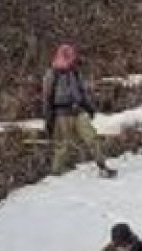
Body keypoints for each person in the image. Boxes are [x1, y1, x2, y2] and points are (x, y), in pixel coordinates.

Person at [42, 43, 116, 178]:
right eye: (67, 55)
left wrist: (89, 108)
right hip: (61, 113)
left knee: (92, 138)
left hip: (79, 111)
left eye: (71, 55)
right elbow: (47, 98)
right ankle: (55, 172)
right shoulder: (52, 74)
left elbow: (83, 92)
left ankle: (103, 166)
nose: (71, 58)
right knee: (62, 145)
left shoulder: (75, 72)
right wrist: (48, 119)